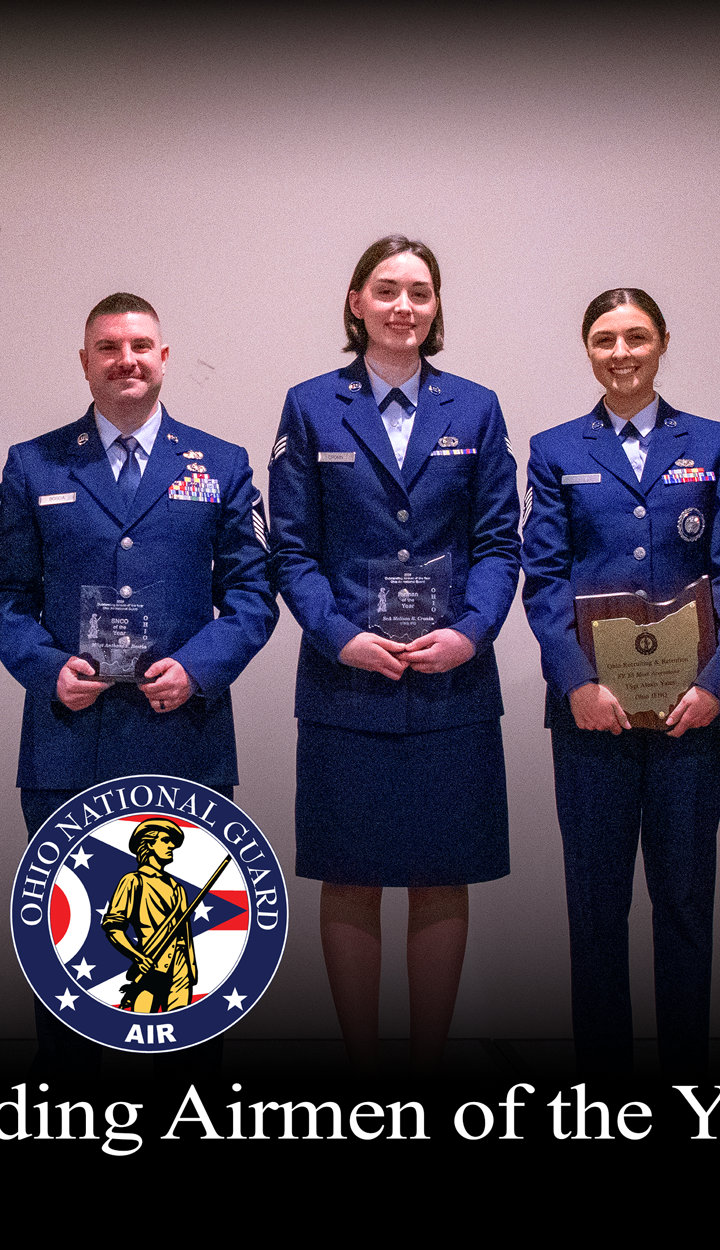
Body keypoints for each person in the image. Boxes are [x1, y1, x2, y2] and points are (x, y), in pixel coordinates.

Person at [0, 292, 276, 1083]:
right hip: (70, 744)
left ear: (165, 356)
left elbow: (253, 595)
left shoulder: (221, 463)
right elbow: (1, 594)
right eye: (108, 347)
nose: (127, 360)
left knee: (192, 969)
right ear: (85, 363)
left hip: (184, 739)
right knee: (72, 961)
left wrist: (201, 667)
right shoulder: (35, 464)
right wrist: (46, 669)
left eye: (141, 344)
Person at [266, 237, 519, 1079]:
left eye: (419, 292)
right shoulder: (309, 407)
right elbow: (291, 553)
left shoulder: (476, 408)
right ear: (355, 302)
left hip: (453, 679)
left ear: (436, 307)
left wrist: (472, 631)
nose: (404, 306)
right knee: (352, 874)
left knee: (444, 874)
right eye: (387, 291)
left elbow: (498, 544)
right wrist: (341, 636)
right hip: (348, 680)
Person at [520, 288, 720, 1080]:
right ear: (587, 349)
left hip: (693, 714)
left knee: (685, 901)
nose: (621, 352)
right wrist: (578, 682)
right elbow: (544, 582)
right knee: (596, 910)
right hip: (591, 716)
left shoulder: (716, 443)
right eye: (605, 339)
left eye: (637, 337)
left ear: (662, 344)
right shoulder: (555, 449)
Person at [102, 818, 198, 1015]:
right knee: (142, 1027)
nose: (172, 845)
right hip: (151, 967)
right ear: (149, 844)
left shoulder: (178, 888)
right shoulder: (132, 881)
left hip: (182, 968)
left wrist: (189, 969)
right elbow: (113, 927)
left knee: (181, 1032)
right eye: (165, 840)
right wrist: (138, 957)